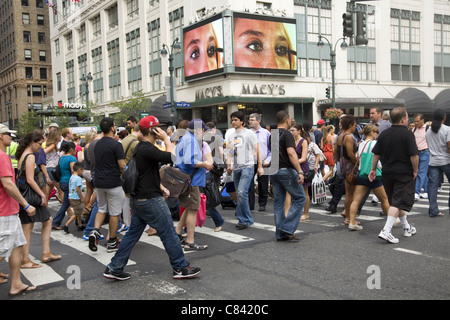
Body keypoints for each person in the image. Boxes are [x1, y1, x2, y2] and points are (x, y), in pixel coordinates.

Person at [104, 115, 201, 280]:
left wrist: (160, 186)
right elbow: (172, 158)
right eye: (158, 128)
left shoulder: (143, 148)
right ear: (152, 130)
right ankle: (180, 267)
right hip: (149, 200)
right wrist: (167, 139)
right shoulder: (147, 148)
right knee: (169, 232)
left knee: (133, 234)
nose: (161, 130)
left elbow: (146, 172)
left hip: (140, 199)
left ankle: (115, 267)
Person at [370, 107, 418, 243]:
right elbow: (414, 156)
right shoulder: (408, 134)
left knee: (395, 202)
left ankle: (407, 227)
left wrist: (373, 170)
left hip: (387, 172)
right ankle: (386, 231)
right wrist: (415, 170)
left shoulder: (384, 134)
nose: (408, 119)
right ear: (403, 119)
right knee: (398, 202)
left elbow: (376, 154)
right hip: (404, 172)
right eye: (407, 117)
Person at [0, 124, 37, 296]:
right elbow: (8, 183)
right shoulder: (2, 156)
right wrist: (26, 204)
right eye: (8, 134)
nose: (11, 137)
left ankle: (16, 283)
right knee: (3, 249)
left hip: (8, 209)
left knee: (16, 246)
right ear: (1, 136)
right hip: (5, 210)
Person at [16, 131, 61, 267]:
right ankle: (26, 259)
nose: (41, 147)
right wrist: (42, 195)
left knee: (46, 220)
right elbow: (30, 179)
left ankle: (44, 253)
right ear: (32, 142)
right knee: (28, 226)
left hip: (27, 195)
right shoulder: (29, 157)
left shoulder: (23, 155)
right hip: (31, 196)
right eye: (40, 144)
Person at [88, 118, 126, 252]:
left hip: (99, 182)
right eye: (115, 125)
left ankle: (95, 231)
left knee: (101, 208)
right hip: (113, 182)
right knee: (115, 212)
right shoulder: (116, 145)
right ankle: (112, 241)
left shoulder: (96, 144)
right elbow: (122, 165)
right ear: (112, 128)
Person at [174, 119, 213, 250]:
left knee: (189, 207)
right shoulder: (191, 140)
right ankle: (190, 241)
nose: (204, 132)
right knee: (193, 209)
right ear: (198, 130)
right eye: (203, 130)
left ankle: (178, 232)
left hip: (186, 179)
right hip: (191, 179)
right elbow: (189, 161)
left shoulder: (184, 138)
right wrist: (204, 164)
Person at [270, 110, 306, 241]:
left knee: (279, 203)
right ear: (287, 121)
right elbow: (291, 153)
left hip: (274, 170)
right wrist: (300, 171)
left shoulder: (272, 135)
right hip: (286, 170)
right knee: (300, 198)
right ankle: (287, 228)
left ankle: (280, 234)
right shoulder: (287, 134)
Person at [348, 124, 390, 231]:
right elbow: (377, 158)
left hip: (362, 174)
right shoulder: (374, 143)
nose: (377, 134)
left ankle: (352, 222)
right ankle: (392, 219)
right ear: (371, 132)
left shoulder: (361, 144)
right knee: (384, 199)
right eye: (376, 132)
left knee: (356, 200)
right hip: (373, 175)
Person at [226, 111, 264, 230]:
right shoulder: (231, 135)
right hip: (236, 167)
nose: (233, 122)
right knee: (240, 194)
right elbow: (230, 150)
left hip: (247, 166)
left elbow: (257, 150)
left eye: (236, 120)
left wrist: (260, 166)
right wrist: (229, 164)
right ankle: (246, 218)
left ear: (242, 121)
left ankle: (245, 219)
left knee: (242, 192)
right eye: (232, 120)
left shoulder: (249, 134)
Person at [426, 108, 450, 217]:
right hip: (446, 160)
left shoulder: (428, 131)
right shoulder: (447, 129)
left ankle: (433, 210)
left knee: (432, 186)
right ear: (444, 117)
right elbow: (449, 146)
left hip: (433, 161)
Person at [334, 115, 358, 225]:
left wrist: (337, 163)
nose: (355, 126)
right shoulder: (348, 137)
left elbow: (335, 152)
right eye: (354, 124)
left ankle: (348, 216)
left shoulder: (340, 135)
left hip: (343, 165)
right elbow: (350, 153)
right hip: (349, 167)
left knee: (349, 193)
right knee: (350, 194)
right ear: (350, 125)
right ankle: (348, 217)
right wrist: (358, 162)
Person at [248, 113, 271, 212]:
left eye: (252, 119)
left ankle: (262, 204)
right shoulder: (247, 133)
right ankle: (250, 204)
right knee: (249, 184)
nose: (250, 121)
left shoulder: (266, 133)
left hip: (264, 161)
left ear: (258, 121)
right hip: (250, 162)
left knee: (263, 184)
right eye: (249, 119)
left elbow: (271, 149)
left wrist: (268, 160)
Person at [52, 142, 77, 230]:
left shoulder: (62, 158)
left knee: (67, 203)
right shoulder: (72, 158)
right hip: (69, 182)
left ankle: (78, 220)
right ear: (71, 149)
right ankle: (56, 222)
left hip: (62, 182)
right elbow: (74, 171)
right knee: (74, 203)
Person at [287, 124, 310, 221]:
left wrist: (293, 162)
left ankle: (306, 213)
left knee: (304, 191)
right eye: (290, 130)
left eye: (293, 130)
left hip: (302, 167)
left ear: (299, 131)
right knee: (289, 191)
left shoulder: (303, 141)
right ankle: (288, 212)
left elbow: (304, 158)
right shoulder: (290, 141)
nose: (291, 132)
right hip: (292, 167)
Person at [63, 162, 85, 233]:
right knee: (77, 213)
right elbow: (78, 189)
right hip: (76, 197)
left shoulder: (72, 177)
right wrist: (81, 197)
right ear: (79, 169)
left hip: (71, 196)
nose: (82, 172)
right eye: (82, 171)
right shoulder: (78, 178)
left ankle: (80, 224)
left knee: (78, 211)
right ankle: (66, 225)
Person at [413, 114, 429, 200]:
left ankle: (416, 192)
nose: (416, 123)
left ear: (422, 120)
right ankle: (426, 191)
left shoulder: (428, 129)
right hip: (416, 153)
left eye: (417, 121)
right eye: (415, 121)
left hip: (425, 152)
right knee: (423, 173)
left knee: (421, 173)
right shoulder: (414, 129)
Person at [44, 129, 62, 202]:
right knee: (61, 190)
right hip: (52, 169)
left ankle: (45, 211)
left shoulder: (53, 146)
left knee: (47, 193)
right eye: (60, 135)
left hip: (49, 169)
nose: (61, 137)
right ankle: (69, 211)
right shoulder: (53, 145)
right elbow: (44, 152)